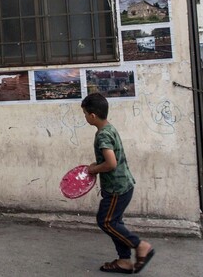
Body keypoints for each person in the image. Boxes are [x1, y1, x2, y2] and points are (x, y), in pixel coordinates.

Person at [81, 92, 155, 274]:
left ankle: (140, 246)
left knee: (106, 222)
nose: (84, 117)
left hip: (117, 188)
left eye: (84, 114)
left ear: (92, 115)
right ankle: (123, 261)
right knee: (115, 223)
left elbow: (111, 163)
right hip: (122, 186)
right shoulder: (109, 128)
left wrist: (93, 169)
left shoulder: (102, 136)